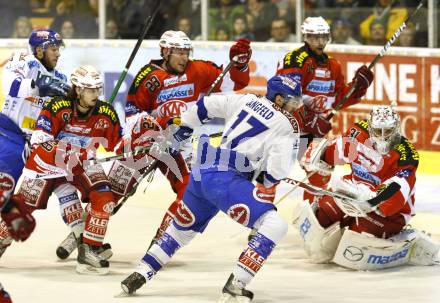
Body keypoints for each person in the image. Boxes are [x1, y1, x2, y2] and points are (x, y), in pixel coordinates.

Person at [120, 74, 301, 302]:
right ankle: (236, 284)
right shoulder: (288, 124)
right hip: (226, 179)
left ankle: (140, 273)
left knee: (180, 231)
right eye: (292, 101)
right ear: (279, 98)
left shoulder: (246, 100)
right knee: (275, 225)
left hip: (202, 171)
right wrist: (265, 177)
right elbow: (277, 172)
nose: (295, 107)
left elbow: (205, 105)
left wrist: (185, 124)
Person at [109, 30, 252, 247]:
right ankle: (84, 234)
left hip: (179, 143)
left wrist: (239, 64)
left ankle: (162, 241)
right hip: (145, 142)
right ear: (165, 51)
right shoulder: (149, 76)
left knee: (190, 189)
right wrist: (156, 131)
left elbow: (233, 83)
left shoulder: (197, 69)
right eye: (179, 53)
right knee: (113, 190)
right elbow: (132, 112)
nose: (184, 57)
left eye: (187, 52)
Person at [1, 65, 122, 275]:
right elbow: (40, 141)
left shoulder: (106, 113)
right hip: (49, 164)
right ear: (77, 90)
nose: (95, 94)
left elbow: (119, 144)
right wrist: (71, 153)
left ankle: (88, 251)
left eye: (98, 89)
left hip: (83, 165)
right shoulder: (58, 107)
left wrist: (139, 144)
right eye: (90, 90)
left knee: (105, 199)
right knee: (21, 209)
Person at [294, 106, 440, 269]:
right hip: (352, 195)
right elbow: (335, 151)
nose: (383, 137)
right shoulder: (357, 134)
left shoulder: (406, 155)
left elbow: (397, 188)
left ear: (397, 129)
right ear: (370, 128)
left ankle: (400, 237)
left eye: (389, 131)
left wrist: (373, 201)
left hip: (389, 212)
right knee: (323, 213)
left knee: (359, 236)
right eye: (378, 131)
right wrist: (318, 157)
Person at [276, 16, 374, 203]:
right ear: (305, 37)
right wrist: (311, 119)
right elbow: (285, 97)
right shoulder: (296, 59)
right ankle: (259, 219)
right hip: (285, 128)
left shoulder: (333, 65)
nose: (320, 42)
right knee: (270, 175)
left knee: (320, 174)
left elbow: (337, 101)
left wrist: (358, 87)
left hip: (312, 132)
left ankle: (312, 216)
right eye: (314, 37)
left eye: (323, 37)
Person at [0, 29, 70, 258]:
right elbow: (11, 84)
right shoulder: (23, 60)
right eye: (53, 49)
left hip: (37, 143)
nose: (57, 54)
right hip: (8, 135)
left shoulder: (61, 79)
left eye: (58, 49)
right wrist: (40, 82)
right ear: (39, 50)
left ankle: (83, 236)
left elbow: (63, 116)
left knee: (61, 187)